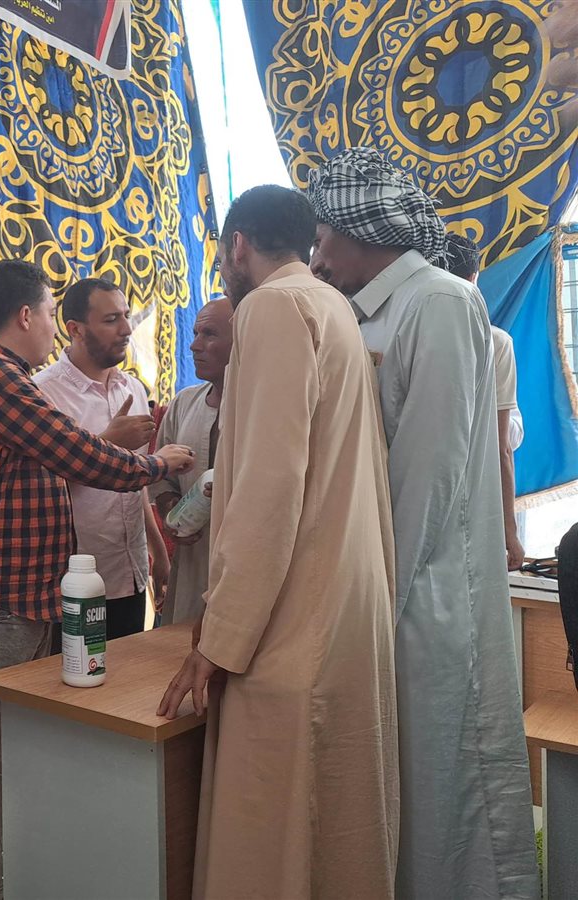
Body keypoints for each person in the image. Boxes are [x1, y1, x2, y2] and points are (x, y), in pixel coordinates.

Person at [0, 259, 194, 900]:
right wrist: (157, 462)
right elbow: (78, 453)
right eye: (53, 314)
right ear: (27, 315)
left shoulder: (4, 376)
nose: (55, 330)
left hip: (20, 606)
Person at [307, 147, 538, 899]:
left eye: (324, 237)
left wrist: (378, 599)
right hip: (381, 586)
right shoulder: (365, 311)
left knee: (448, 777)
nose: (319, 256)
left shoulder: (438, 301)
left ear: (361, 230)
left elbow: (429, 475)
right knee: (398, 784)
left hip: (429, 594)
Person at [157, 184, 399, 898]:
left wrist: (221, 638)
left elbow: (268, 486)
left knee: (274, 837)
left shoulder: (270, 307)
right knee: (333, 835)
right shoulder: (332, 306)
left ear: (237, 246)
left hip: (292, 622)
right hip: (341, 603)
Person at [35, 277, 170, 638]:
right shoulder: (44, 394)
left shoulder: (132, 389)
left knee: (126, 672)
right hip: (73, 584)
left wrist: (158, 551)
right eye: (111, 320)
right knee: (75, 673)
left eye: (126, 316)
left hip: (130, 573)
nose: (126, 329)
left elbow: (136, 478)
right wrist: (108, 443)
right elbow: (38, 487)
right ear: (75, 329)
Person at [442, 232, 527, 570]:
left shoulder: (404, 331)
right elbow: (501, 446)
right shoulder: (495, 342)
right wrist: (510, 532)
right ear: (475, 277)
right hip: (472, 495)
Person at [150, 296, 233, 624]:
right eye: (195, 333)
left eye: (209, 334)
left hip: (241, 562)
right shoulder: (184, 403)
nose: (194, 345)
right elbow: (161, 480)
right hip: (191, 561)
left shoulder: (264, 408)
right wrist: (173, 512)